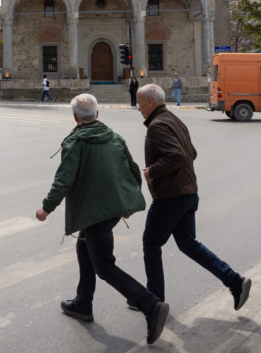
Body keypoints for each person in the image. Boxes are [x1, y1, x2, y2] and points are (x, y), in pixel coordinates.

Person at [36, 93, 170, 345]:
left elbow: (63, 181)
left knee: (105, 267)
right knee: (83, 246)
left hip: (94, 212)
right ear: (97, 114)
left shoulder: (75, 143)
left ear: (75, 117)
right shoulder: (115, 138)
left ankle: (150, 305)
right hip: (110, 212)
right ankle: (83, 302)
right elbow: (133, 171)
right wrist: (128, 203)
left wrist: (45, 208)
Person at [137, 84, 251, 311]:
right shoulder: (173, 119)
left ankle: (154, 300)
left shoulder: (158, 125)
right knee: (188, 244)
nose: (139, 108)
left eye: (140, 103)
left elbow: (177, 155)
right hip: (188, 193)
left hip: (171, 196)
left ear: (150, 102)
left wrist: (152, 171)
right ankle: (234, 281)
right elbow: (192, 153)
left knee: (150, 244)